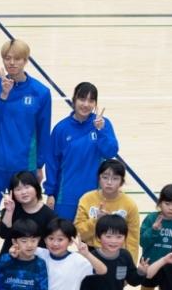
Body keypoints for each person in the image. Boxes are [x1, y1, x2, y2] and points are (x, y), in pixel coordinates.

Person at [0, 40, 52, 225]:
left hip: (24, 166)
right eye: (7, 58)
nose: (11, 63)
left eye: (17, 58)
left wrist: (39, 165)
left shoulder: (41, 92)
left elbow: (43, 133)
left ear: (26, 60)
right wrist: (3, 95)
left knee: (23, 221)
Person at [46, 82, 118, 224]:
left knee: (91, 236)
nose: (86, 104)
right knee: (63, 235)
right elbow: (52, 163)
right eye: (82, 99)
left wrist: (101, 131)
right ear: (74, 99)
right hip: (66, 197)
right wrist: (50, 193)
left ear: (95, 104)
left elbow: (110, 152)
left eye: (91, 100)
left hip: (95, 196)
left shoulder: (103, 124)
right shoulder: (61, 129)